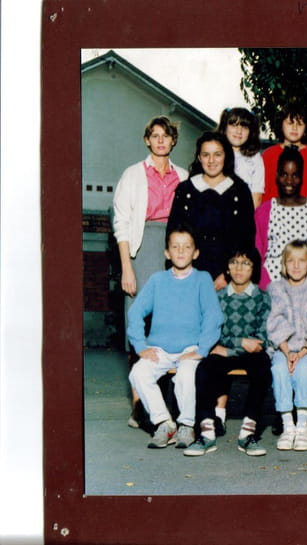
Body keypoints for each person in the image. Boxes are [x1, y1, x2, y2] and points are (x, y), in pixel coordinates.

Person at [112, 116, 187, 427]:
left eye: (165, 136)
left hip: (174, 250)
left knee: (171, 324)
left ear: (173, 141)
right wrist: (127, 267)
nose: (160, 141)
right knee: (140, 322)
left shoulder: (183, 176)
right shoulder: (133, 175)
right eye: (155, 136)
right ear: (147, 140)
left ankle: (168, 402)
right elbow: (121, 223)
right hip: (142, 249)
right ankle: (139, 405)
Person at [127, 224, 223, 449]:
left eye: (187, 247)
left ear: (195, 253)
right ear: (167, 253)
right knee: (138, 373)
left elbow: (213, 316)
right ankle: (164, 423)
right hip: (160, 349)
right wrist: (141, 346)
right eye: (175, 247)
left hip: (190, 348)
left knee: (186, 375)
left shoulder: (202, 279)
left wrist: (201, 349)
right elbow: (135, 312)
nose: (181, 251)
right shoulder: (157, 280)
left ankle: (186, 425)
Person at [184, 244, 272, 457]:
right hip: (224, 352)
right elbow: (212, 331)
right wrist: (240, 342)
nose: (239, 268)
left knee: (263, 368)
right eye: (234, 263)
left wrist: (231, 349)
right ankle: (206, 432)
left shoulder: (262, 298)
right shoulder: (218, 297)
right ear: (227, 267)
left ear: (254, 268)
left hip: (247, 354)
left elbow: (261, 339)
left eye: (245, 263)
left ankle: (248, 432)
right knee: (204, 369)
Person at [167, 132, 256, 291]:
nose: (211, 160)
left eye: (217, 154)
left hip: (230, 280)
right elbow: (173, 235)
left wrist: (227, 276)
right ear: (199, 157)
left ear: (226, 156)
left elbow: (247, 240)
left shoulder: (240, 191)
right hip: (190, 278)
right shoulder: (185, 190)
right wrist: (185, 275)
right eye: (206, 155)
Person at [267, 240, 307, 451]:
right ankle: (288, 426)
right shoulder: (276, 288)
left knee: (303, 370)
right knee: (279, 368)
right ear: (284, 264)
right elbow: (275, 321)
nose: (296, 266)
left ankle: (302, 426)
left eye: (301, 261)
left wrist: (302, 352)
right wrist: (287, 352)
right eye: (290, 261)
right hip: (283, 347)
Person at [255, 147, 307, 288]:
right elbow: (257, 252)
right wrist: (265, 285)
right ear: (277, 175)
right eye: (284, 174)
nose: (289, 181)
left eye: (295, 175)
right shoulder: (264, 211)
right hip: (271, 285)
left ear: (302, 177)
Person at [261, 102, 307, 208]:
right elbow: (263, 194)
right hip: (273, 213)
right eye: (290, 123)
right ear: (281, 125)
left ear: (306, 128)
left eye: (300, 124)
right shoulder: (268, 155)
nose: (294, 128)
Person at [217, 107, 265, 208]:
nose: (239, 131)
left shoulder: (255, 159)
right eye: (234, 125)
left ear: (250, 132)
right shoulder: (214, 152)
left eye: (245, 127)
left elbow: (256, 196)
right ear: (224, 127)